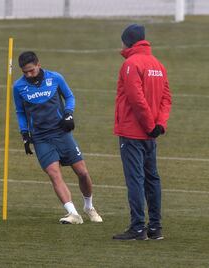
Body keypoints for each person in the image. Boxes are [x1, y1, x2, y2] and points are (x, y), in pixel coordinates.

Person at [13, 51, 103, 224]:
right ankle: (73, 213)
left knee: (82, 173)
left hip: (61, 133)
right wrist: (24, 134)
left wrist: (68, 114)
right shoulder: (19, 87)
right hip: (40, 137)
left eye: (31, 70)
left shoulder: (55, 78)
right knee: (54, 174)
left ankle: (88, 206)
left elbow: (69, 96)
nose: (28, 75)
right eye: (25, 72)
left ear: (39, 64)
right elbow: (20, 112)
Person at [112, 24, 172, 240]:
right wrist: (159, 125)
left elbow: (136, 99)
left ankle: (138, 228)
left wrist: (149, 125)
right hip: (151, 134)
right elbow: (166, 97)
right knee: (152, 179)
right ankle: (155, 228)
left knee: (135, 180)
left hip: (132, 132)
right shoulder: (158, 64)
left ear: (129, 41)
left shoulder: (131, 64)